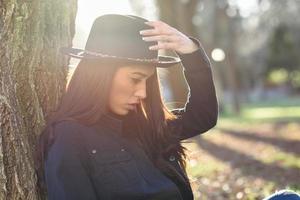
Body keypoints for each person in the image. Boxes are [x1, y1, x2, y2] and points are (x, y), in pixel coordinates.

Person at [34, 14, 218, 200]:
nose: (143, 93)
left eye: (147, 81)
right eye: (135, 79)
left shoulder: (147, 127)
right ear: (100, 75)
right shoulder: (69, 137)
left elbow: (203, 116)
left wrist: (191, 52)